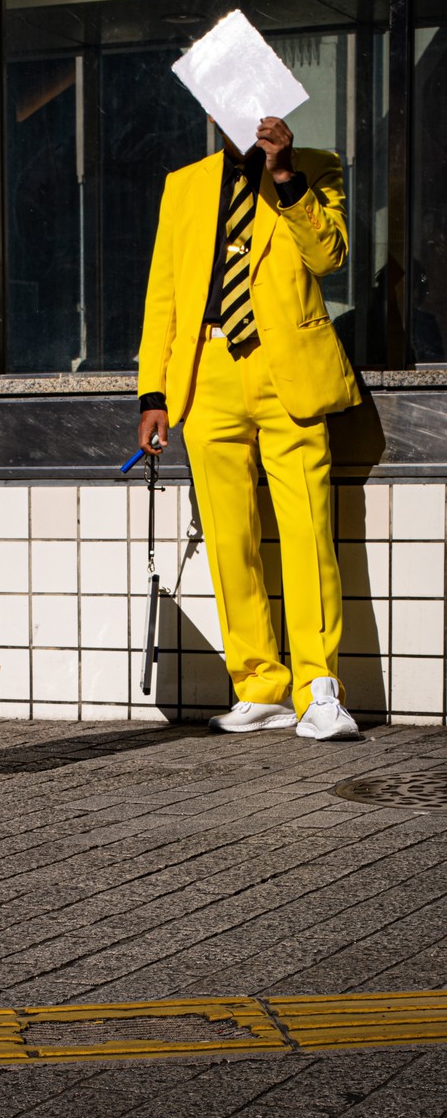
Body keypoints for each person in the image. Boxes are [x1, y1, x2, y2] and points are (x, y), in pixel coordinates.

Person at [137, 115, 361, 740]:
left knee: (307, 530)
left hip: (286, 369)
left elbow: (331, 255)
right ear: (210, 111)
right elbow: (164, 296)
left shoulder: (316, 166)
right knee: (229, 538)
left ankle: (319, 690)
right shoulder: (184, 184)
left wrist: (285, 176)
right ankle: (259, 685)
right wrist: (154, 393)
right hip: (205, 371)